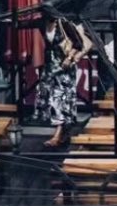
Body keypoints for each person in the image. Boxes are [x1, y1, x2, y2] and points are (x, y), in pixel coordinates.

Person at [36, 17, 91, 150]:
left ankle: (57, 135)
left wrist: (70, 58)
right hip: (50, 66)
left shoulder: (64, 24)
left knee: (59, 99)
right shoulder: (42, 23)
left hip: (64, 66)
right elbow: (25, 24)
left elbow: (79, 43)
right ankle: (64, 131)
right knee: (50, 99)